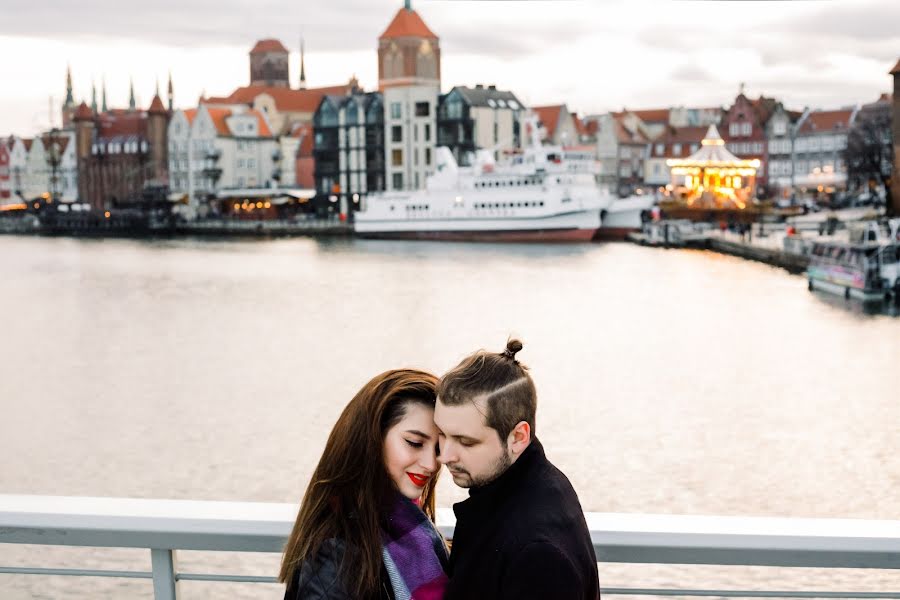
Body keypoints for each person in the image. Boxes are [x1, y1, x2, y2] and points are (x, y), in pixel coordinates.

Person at [434, 339, 600, 600]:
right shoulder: (534, 485)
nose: (444, 455)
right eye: (441, 434)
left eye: (466, 441)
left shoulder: (538, 557)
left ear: (518, 437)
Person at [280, 369, 449, 600]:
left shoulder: (415, 532)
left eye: (438, 448)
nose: (431, 464)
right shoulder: (336, 553)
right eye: (415, 442)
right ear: (372, 439)